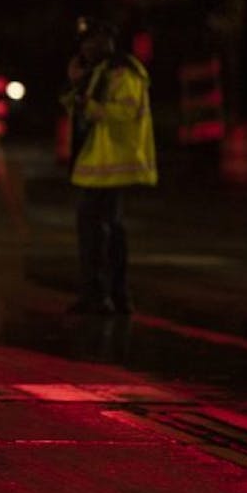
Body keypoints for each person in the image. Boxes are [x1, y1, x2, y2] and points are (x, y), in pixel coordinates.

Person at [60, 19, 157, 315]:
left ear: (108, 41)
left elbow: (124, 113)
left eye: (93, 41)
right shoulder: (100, 72)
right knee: (101, 232)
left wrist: (87, 102)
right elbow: (77, 107)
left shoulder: (125, 73)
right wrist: (76, 86)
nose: (86, 48)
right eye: (83, 43)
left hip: (114, 164)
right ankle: (104, 294)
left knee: (101, 233)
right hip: (98, 165)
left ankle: (105, 296)